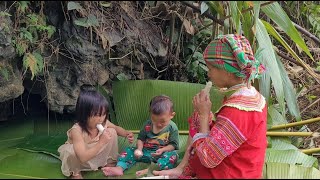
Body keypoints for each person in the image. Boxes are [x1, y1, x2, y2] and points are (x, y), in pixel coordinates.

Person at [153, 34, 267, 178]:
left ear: (227, 70)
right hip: (244, 171)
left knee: (200, 119)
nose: (209, 73)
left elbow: (208, 157)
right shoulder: (253, 97)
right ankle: (182, 168)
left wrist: (204, 115)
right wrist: (202, 117)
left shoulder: (238, 111)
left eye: (211, 68)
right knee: (198, 119)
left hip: (232, 175)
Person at [58, 89, 134, 179]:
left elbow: (116, 128)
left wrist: (126, 133)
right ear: (84, 114)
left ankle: (109, 161)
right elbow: (82, 157)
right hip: (81, 159)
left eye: (104, 114)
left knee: (112, 131)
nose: (101, 118)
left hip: (96, 154)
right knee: (70, 152)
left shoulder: (103, 123)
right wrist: (101, 142)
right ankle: (76, 173)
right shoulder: (77, 130)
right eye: (97, 115)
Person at [102, 95, 179, 177]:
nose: (158, 124)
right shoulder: (147, 125)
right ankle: (119, 168)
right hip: (145, 152)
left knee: (173, 155)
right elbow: (140, 139)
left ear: (172, 115)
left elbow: (173, 145)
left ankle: (150, 170)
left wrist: (163, 149)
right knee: (129, 150)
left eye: (162, 121)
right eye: (154, 120)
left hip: (162, 154)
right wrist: (139, 149)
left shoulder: (172, 127)